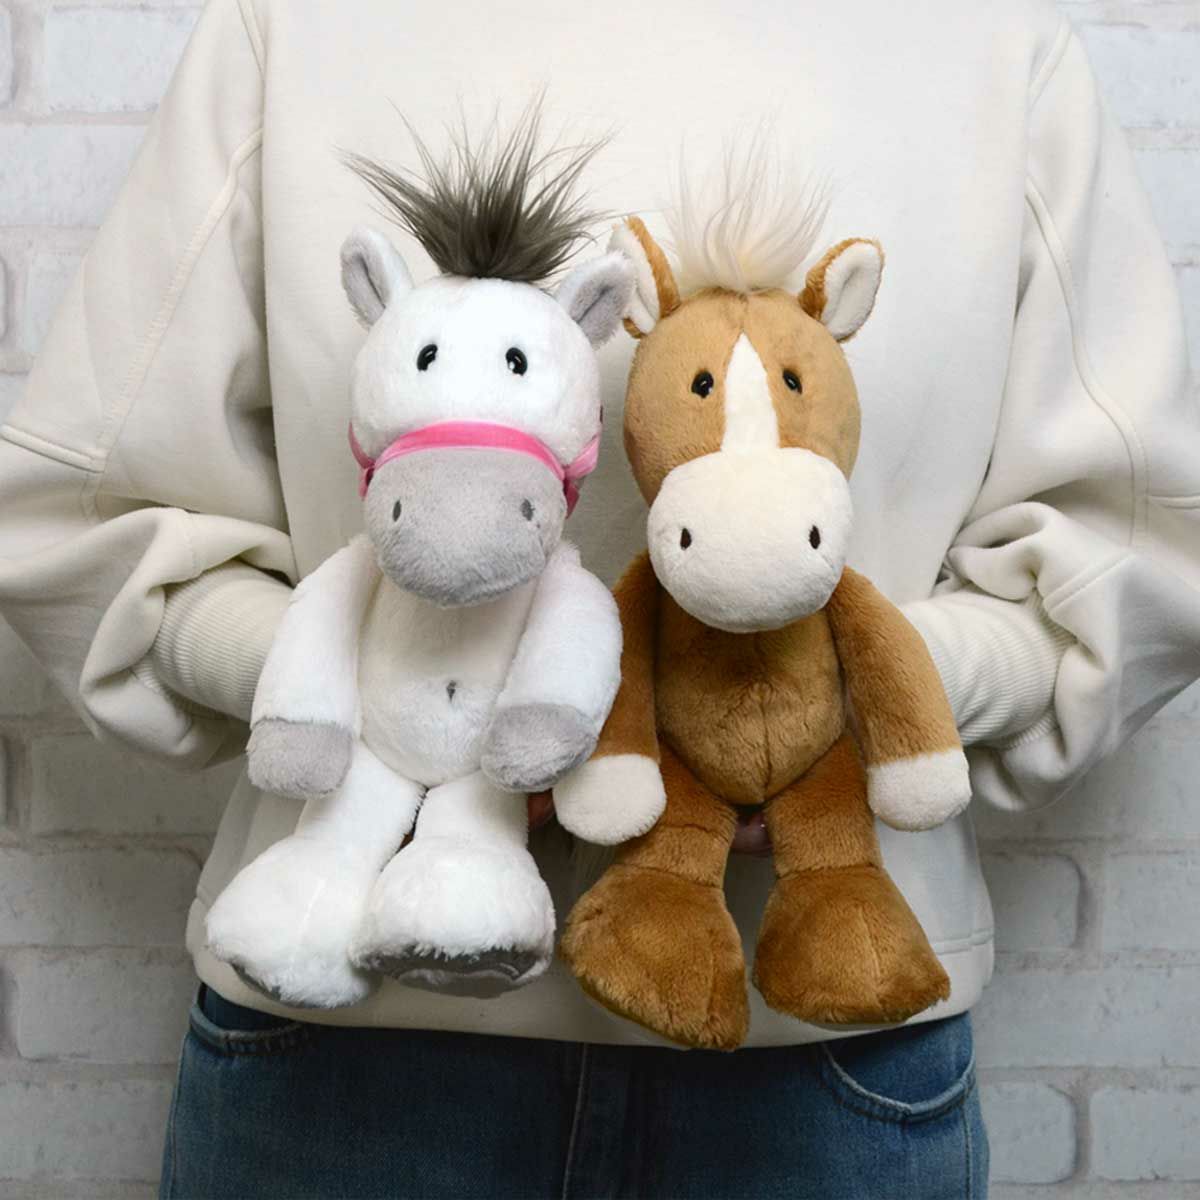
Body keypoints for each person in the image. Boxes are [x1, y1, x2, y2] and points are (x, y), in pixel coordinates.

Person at [0, 0, 1195, 1195]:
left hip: (824, 1038)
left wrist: (838, 710)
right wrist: (385, 693)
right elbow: (90, 520)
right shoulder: (295, 28)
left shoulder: (988, 41)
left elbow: (1131, 552)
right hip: (347, 1020)